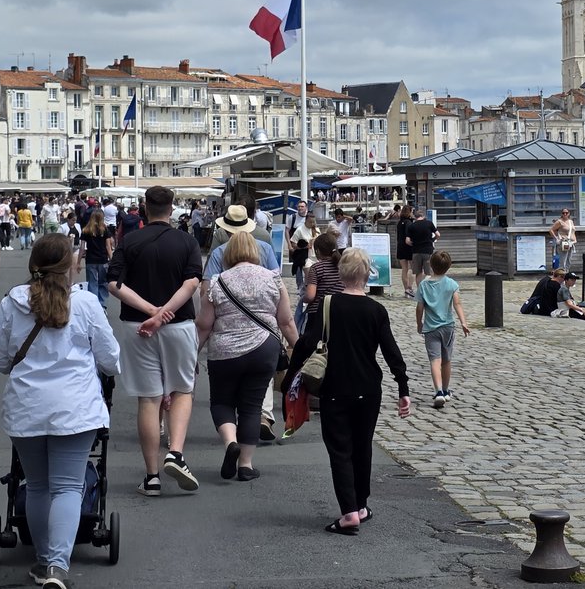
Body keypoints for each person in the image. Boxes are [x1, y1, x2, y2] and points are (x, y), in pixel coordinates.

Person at [0, 233, 121, 589]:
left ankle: (43, 558)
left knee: (37, 486)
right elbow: (110, 358)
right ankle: (57, 568)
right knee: (68, 487)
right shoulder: (86, 304)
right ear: (71, 264)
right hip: (75, 408)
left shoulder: (11, 303)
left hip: (27, 407)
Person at [285, 247, 410, 535]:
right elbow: (392, 352)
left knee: (340, 449)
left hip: (335, 388)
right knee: (362, 447)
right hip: (368, 388)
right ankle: (361, 505)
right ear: (367, 275)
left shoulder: (328, 305)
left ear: (341, 274)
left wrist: (290, 376)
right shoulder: (376, 310)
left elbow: (306, 343)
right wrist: (403, 387)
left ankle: (349, 511)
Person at [107, 185, 203, 497]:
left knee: (148, 399)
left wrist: (151, 312)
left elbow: (113, 283)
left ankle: (151, 476)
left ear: (145, 208)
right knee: (182, 389)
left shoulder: (129, 241)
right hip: (179, 324)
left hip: (137, 325)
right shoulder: (187, 241)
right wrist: (165, 313)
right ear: (172, 209)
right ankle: (175, 452)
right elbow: (192, 283)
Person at [196, 232, 298, 482]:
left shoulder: (218, 282)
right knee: (252, 406)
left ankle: (230, 442)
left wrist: (192, 355)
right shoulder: (273, 279)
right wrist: (299, 349)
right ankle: (246, 465)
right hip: (263, 349)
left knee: (222, 402)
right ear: (256, 252)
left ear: (228, 254)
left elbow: (204, 325)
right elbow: (286, 321)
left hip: (224, 352)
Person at [415, 251, 470, 408]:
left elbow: (419, 308)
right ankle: (446, 390)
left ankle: (438, 391)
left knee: (435, 360)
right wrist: (463, 322)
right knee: (446, 360)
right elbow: (457, 304)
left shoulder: (423, 285)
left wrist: (419, 323)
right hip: (448, 327)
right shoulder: (452, 284)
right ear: (449, 266)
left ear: (431, 265)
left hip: (431, 329)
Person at [304, 232, 345, 324]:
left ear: (317, 251)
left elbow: (310, 296)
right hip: (340, 311)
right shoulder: (343, 267)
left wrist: (303, 298)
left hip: (318, 312)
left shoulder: (316, 268)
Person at [78, 210, 114, 310]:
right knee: (103, 283)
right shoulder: (105, 230)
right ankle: (102, 305)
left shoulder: (86, 230)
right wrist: (112, 260)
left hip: (90, 260)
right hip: (102, 259)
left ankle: (94, 305)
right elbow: (108, 246)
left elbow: (82, 248)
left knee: (92, 283)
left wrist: (78, 262)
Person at [405, 209, 440, 295]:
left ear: (415, 217)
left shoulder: (412, 226)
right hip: (428, 250)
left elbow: (407, 241)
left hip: (416, 251)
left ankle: (420, 291)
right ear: (423, 216)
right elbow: (438, 234)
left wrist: (414, 244)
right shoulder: (429, 223)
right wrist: (432, 240)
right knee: (428, 272)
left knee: (418, 273)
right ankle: (428, 290)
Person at [395, 206, 415, 299]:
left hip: (400, 246)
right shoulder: (409, 223)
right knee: (413, 268)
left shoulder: (399, 222)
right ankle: (410, 288)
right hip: (408, 247)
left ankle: (406, 289)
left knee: (404, 269)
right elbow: (409, 237)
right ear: (409, 212)